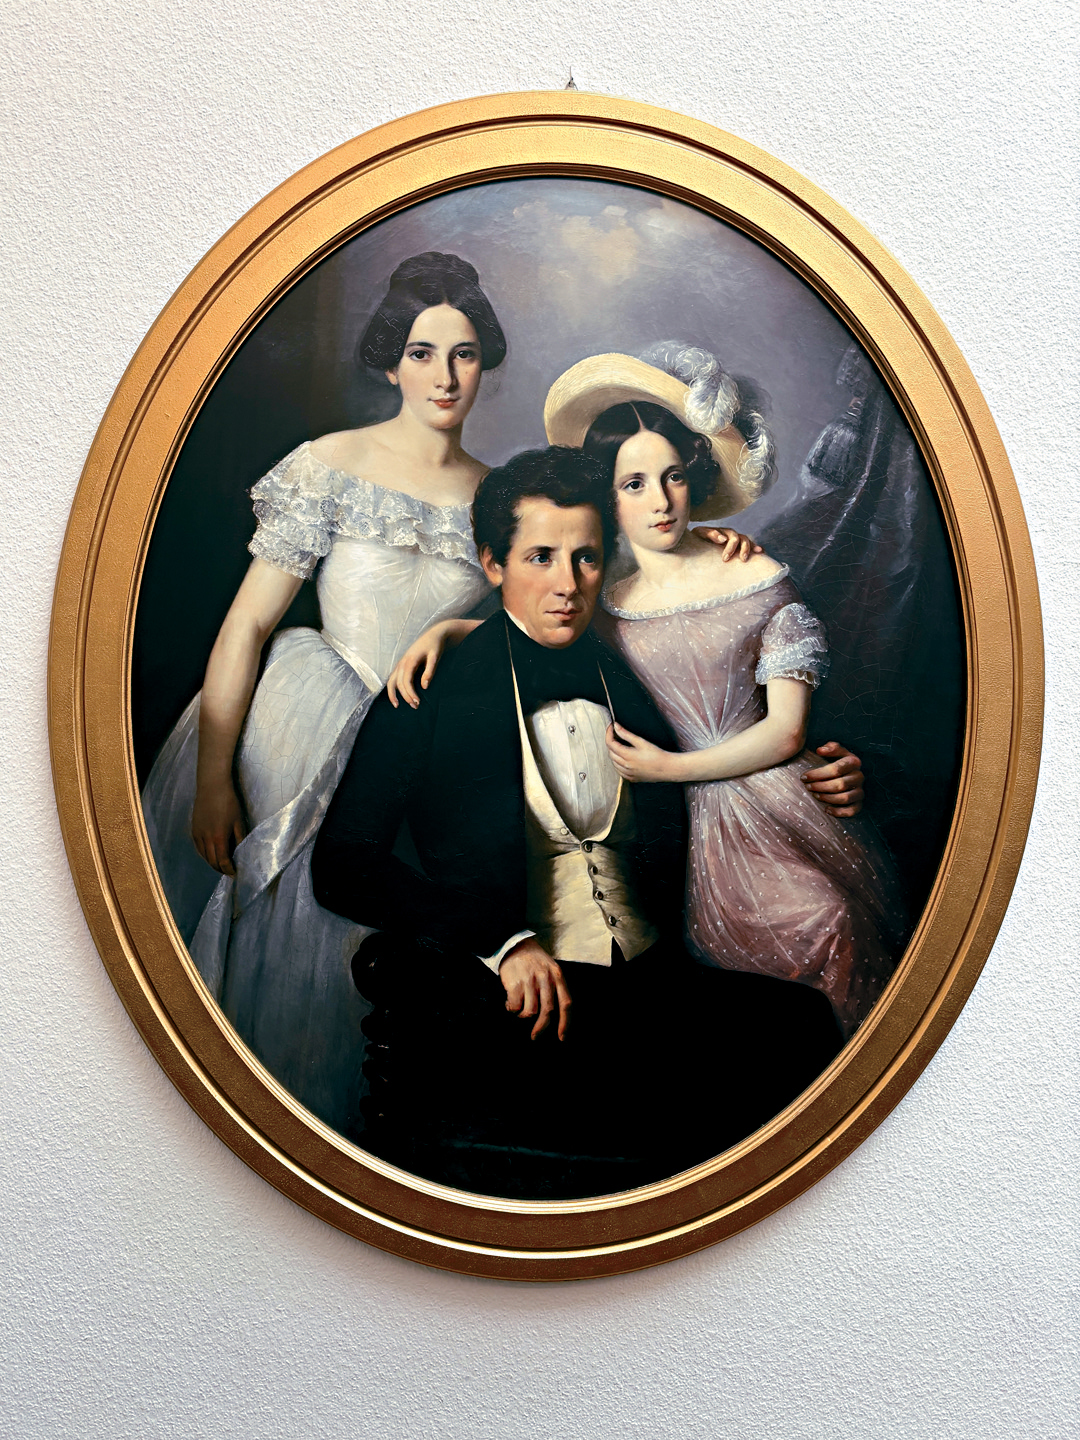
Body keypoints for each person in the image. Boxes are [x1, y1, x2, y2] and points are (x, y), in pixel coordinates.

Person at [312, 448, 853, 1200]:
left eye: (586, 558)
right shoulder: (431, 690)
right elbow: (343, 863)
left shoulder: (630, 663)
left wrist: (828, 769)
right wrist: (499, 942)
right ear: (492, 563)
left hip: (654, 975)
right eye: (541, 558)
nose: (567, 585)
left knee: (801, 1030)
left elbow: (735, 722)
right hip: (527, 995)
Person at [141, 253, 505, 1132]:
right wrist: (216, 776)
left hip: (416, 754)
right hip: (304, 722)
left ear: (483, 363)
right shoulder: (331, 464)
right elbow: (246, 626)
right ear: (390, 363)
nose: (444, 376)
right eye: (422, 353)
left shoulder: (501, 498)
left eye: (462, 354)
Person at [546, 349, 907, 1035]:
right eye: (634, 484)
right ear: (607, 496)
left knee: (827, 922)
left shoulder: (755, 575)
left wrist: (670, 767)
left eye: (673, 476)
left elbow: (787, 731)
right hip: (679, 831)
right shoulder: (603, 603)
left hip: (779, 799)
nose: (660, 501)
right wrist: (446, 633)